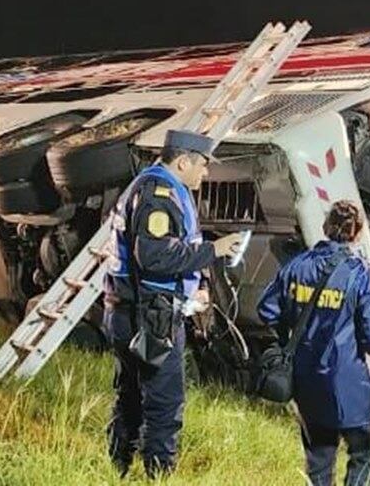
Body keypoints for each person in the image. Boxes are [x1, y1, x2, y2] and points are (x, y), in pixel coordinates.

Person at [103, 129, 244, 478]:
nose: (206, 173)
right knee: (164, 405)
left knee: (131, 396)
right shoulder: (160, 193)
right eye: (204, 166)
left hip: (132, 310)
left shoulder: (151, 186)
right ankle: (158, 476)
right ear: (183, 161)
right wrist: (214, 250)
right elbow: (154, 255)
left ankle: (116, 470)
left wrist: (194, 287)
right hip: (150, 317)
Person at [257, 200, 370, 486]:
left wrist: (284, 338)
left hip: (307, 382)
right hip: (351, 385)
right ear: (357, 233)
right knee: (365, 455)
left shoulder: (296, 267)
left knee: (318, 460)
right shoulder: (361, 274)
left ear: (326, 227)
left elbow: (267, 309)